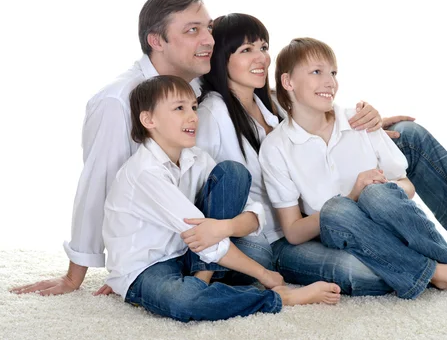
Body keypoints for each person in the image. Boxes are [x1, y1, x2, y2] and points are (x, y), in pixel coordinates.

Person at [10, 0, 382, 297]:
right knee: (354, 270)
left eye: (207, 28)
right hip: (212, 236)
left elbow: (275, 105)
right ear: (157, 40)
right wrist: (89, 272)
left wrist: (356, 117)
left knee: (407, 139)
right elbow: (99, 184)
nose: (207, 39)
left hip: (253, 224)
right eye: (192, 30)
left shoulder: (202, 86)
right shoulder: (117, 101)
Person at [196, 13, 447, 296]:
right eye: (246, 50)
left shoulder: (270, 102)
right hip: (283, 231)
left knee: (407, 135)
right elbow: (208, 188)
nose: (261, 58)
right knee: (362, 270)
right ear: (221, 57)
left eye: (264, 48)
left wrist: (374, 122)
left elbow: (318, 105)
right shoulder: (214, 114)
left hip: (332, 205)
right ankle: (444, 270)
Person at [101, 75, 340, 322]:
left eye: (193, 107)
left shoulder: (196, 158)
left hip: (187, 253)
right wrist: (265, 275)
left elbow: (254, 214)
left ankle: (203, 281)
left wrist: (224, 227)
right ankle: (281, 298)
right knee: (185, 301)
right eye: (179, 108)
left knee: (234, 173)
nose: (193, 116)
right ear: (148, 119)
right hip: (148, 266)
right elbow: (202, 235)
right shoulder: (145, 172)